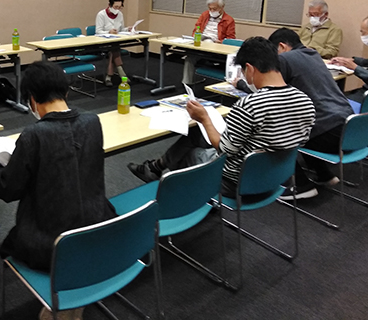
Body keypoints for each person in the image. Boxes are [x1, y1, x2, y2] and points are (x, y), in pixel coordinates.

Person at [0, 61, 115, 319]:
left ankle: (62, 299)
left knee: (10, 244)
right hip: (98, 228)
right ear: (66, 92)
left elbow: (8, 188)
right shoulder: (93, 121)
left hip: (51, 246)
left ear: (31, 99)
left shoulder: (34, 135)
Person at [128, 37, 315, 199]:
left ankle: (191, 200)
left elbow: (224, 149)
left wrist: (204, 119)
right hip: (275, 176)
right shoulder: (305, 100)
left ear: (250, 69)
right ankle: (155, 168)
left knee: (190, 154)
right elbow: (300, 141)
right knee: (195, 135)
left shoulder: (250, 104)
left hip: (235, 181)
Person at [268, 28, 354, 200]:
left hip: (330, 134)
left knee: (272, 130)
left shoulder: (284, 58)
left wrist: (242, 84)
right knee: (310, 122)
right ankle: (325, 175)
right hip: (351, 128)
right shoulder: (314, 55)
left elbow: (269, 90)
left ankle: (299, 186)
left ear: (282, 46)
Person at [182, 0, 236, 84]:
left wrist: (221, 42)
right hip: (201, 44)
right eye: (210, 8)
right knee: (189, 58)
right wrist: (195, 36)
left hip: (216, 48)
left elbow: (231, 39)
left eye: (214, 9)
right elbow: (196, 29)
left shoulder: (229, 20)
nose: (212, 11)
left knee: (207, 45)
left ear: (222, 7)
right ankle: (187, 84)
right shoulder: (204, 15)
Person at [95, 0, 128, 87]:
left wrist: (127, 30)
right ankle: (121, 73)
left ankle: (109, 76)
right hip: (102, 42)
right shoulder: (101, 14)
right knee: (113, 49)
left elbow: (121, 30)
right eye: (116, 7)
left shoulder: (120, 14)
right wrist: (108, 32)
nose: (117, 9)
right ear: (109, 5)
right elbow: (98, 31)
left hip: (115, 42)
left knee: (113, 49)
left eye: (120, 7)